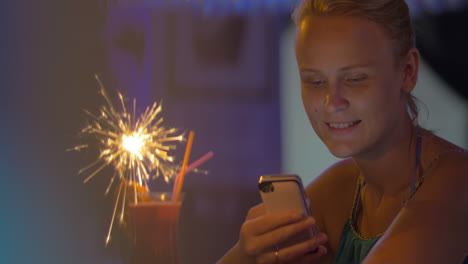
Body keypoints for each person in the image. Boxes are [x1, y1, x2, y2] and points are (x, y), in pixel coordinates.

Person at [216, 0, 468, 263]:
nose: (331, 103)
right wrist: (247, 255)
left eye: (355, 79)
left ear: (407, 71)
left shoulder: (458, 181)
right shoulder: (341, 188)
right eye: (315, 81)